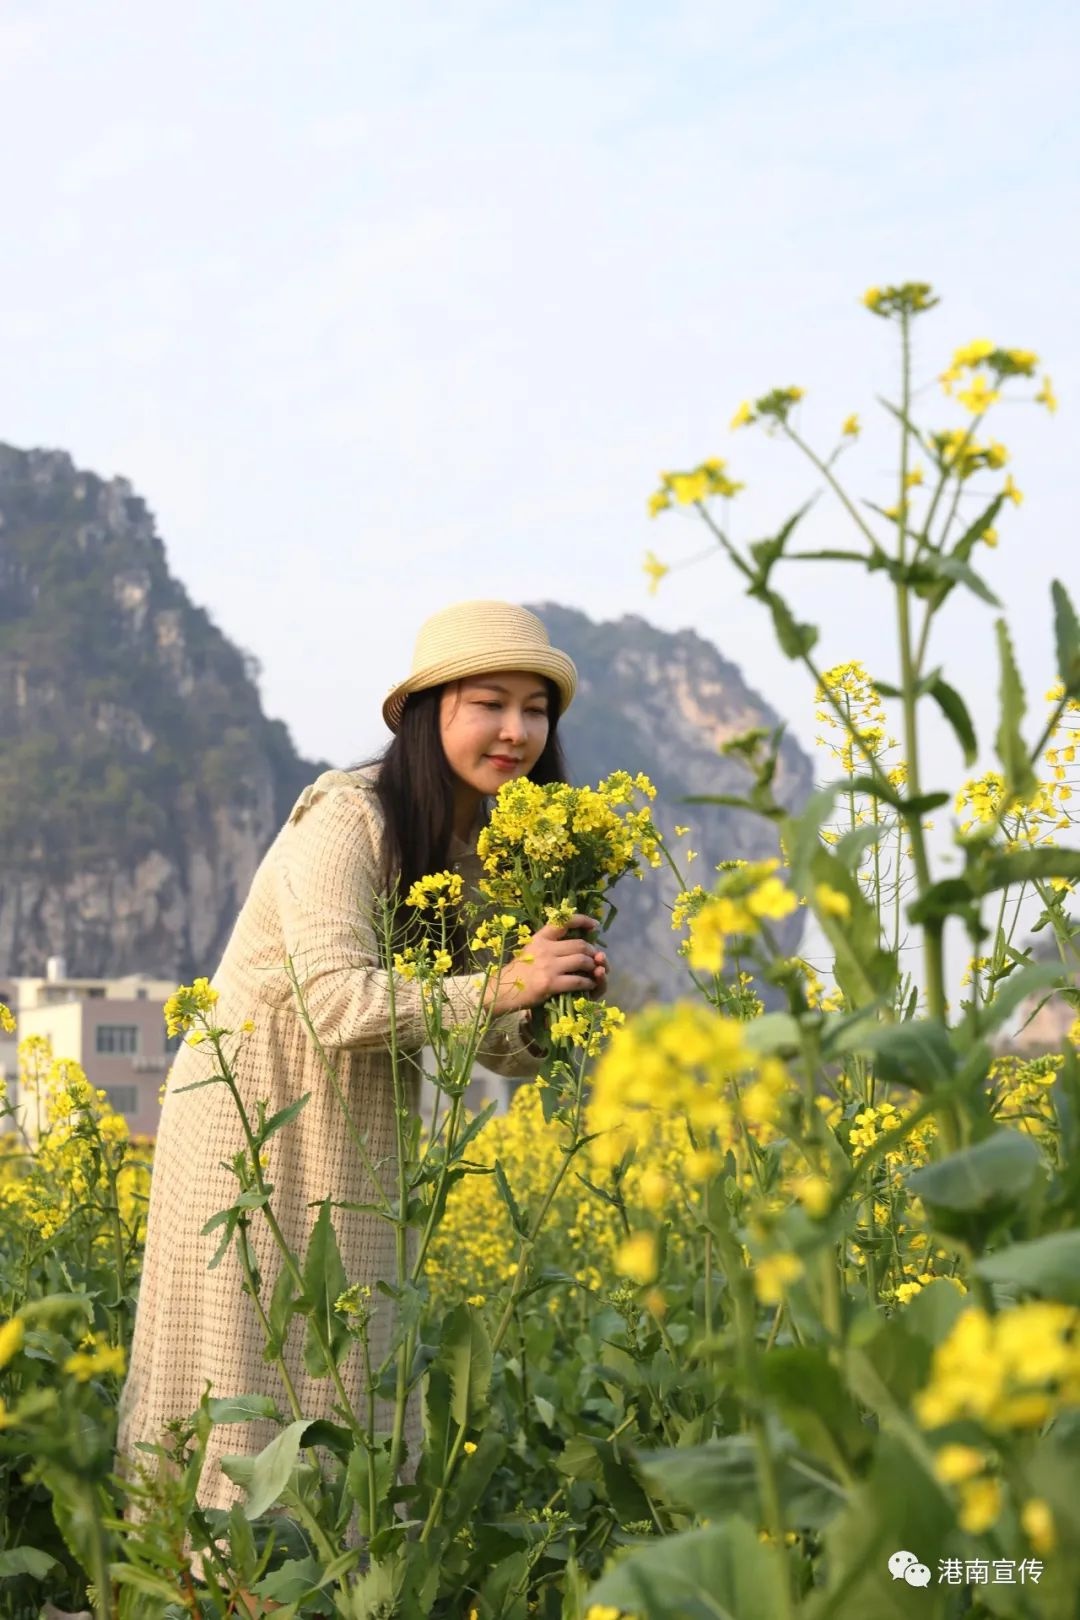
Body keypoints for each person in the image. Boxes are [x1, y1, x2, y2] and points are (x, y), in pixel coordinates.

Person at [116, 599, 607, 1546]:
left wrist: (552, 994)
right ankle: (202, 1578)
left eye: (536, 710)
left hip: (362, 1123)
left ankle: (333, 1573)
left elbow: (489, 1039)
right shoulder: (348, 816)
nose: (516, 731)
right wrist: (505, 981)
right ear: (428, 714)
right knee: (239, 1354)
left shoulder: (488, 856)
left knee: (356, 1352)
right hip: (254, 1112)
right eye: (489, 703)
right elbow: (336, 1000)